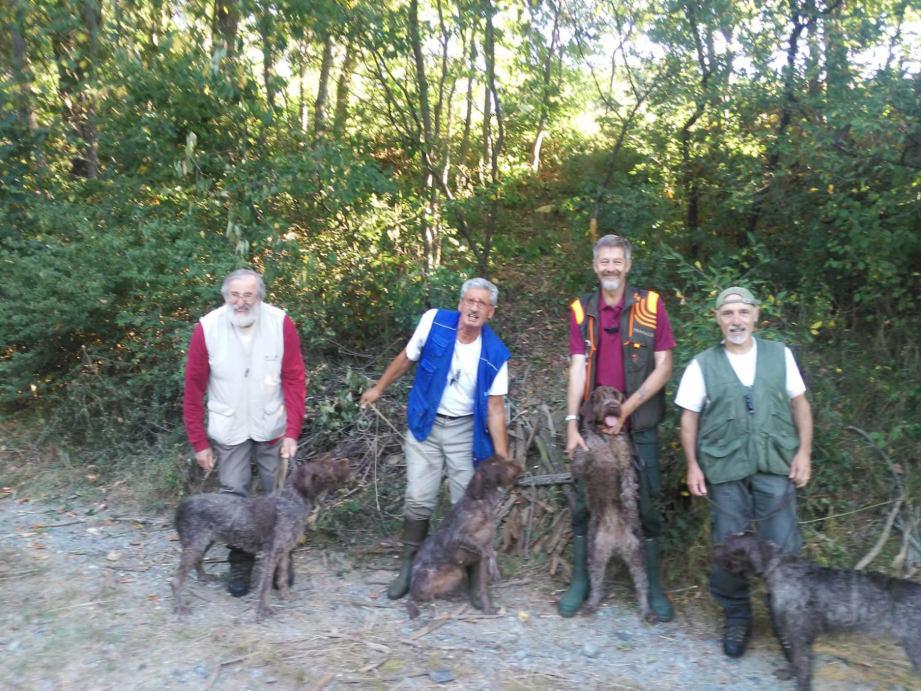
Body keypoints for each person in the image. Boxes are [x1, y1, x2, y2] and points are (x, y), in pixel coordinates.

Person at [675, 286, 813, 658]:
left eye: (742, 312)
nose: (736, 320)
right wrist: (692, 465)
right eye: (728, 313)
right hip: (724, 467)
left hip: (775, 463)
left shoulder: (779, 355)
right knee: (729, 546)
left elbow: (800, 405)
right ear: (717, 319)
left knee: (783, 547)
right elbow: (688, 419)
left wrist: (804, 452)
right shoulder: (702, 364)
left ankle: (786, 620)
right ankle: (737, 615)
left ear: (755, 315)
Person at [359, 277, 510, 602]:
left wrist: (501, 458)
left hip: (465, 431)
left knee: (467, 506)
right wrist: (379, 388)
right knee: (417, 498)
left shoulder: (496, 353)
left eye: (481, 303)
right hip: (425, 423)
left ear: (491, 312)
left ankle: (473, 577)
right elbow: (406, 357)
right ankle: (409, 568)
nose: (473, 307)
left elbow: (496, 409)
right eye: (469, 300)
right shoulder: (434, 322)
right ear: (460, 304)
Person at [561, 234, 675, 622]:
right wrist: (572, 421)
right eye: (603, 261)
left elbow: (665, 367)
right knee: (584, 501)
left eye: (617, 261)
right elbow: (577, 367)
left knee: (645, 504)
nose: (610, 267)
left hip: (638, 422)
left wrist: (625, 409)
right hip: (592, 424)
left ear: (627, 265)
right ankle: (581, 581)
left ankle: (653, 586)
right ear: (595, 266)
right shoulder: (581, 310)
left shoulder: (651, 305)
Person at [183, 268, 306, 596]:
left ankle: (281, 564)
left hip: (272, 428)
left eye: (248, 295)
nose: (241, 302)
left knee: (279, 501)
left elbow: (294, 379)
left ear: (260, 297)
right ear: (225, 296)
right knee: (233, 501)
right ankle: (240, 565)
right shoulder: (206, 328)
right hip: (229, 429)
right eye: (234, 295)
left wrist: (292, 431)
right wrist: (199, 441)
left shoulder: (281, 324)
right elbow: (193, 389)